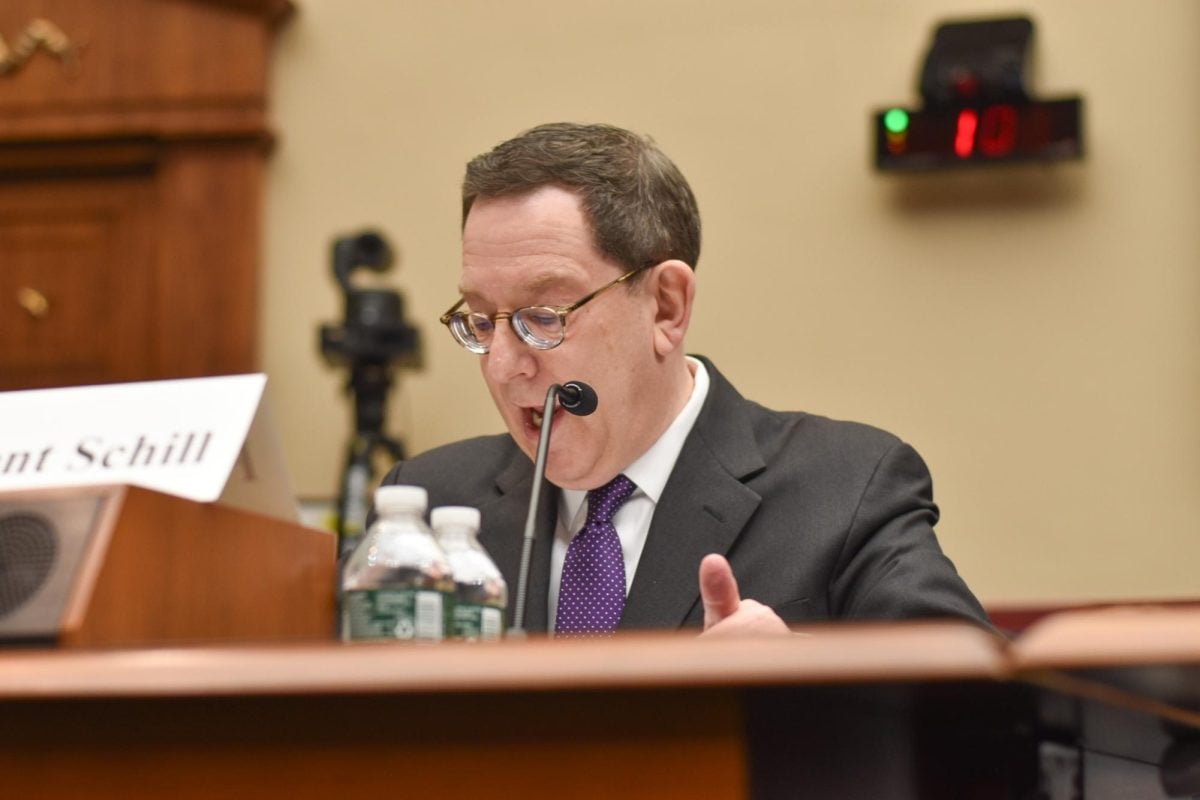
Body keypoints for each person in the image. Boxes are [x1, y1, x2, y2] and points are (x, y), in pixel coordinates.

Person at [379, 122, 989, 636]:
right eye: (483, 321)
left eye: (545, 317)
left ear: (666, 307)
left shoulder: (848, 487)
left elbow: (981, 725)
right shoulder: (430, 506)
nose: (503, 364)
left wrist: (809, 690)